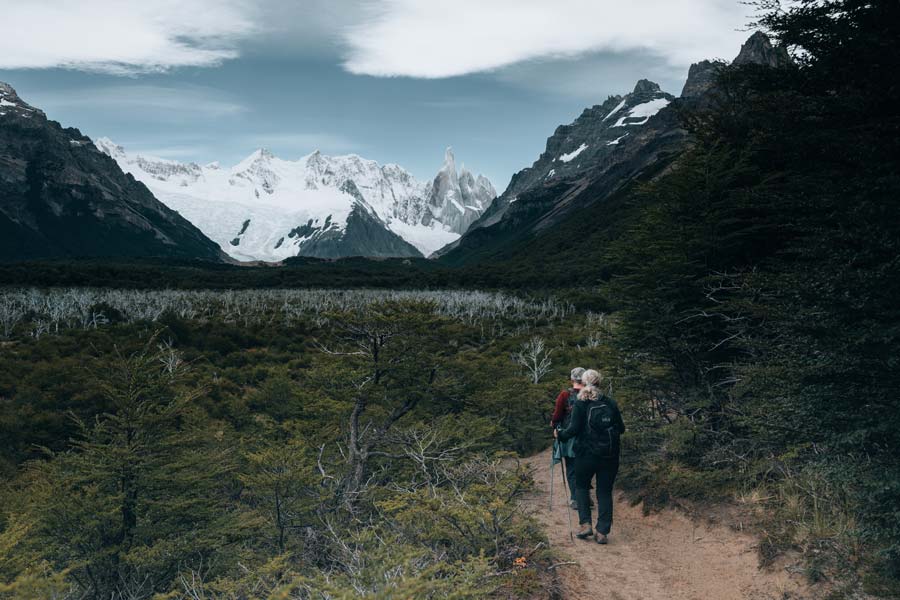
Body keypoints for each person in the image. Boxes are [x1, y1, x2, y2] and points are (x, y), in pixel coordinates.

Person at [554, 368, 625, 544]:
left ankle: (585, 525)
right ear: (599, 383)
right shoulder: (610, 403)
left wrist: (560, 434)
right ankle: (602, 532)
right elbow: (621, 429)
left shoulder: (580, 404)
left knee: (581, 487)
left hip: (585, 455)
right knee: (604, 492)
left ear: (584, 383)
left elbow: (573, 430)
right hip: (609, 455)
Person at [551, 367, 585, 508]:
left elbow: (557, 415)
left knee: (571, 468)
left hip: (569, 436)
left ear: (572, 379)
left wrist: (554, 427)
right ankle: (585, 497)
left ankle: (576, 498)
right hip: (588, 437)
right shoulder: (591, 394)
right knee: (584, 467)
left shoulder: (565, 395)